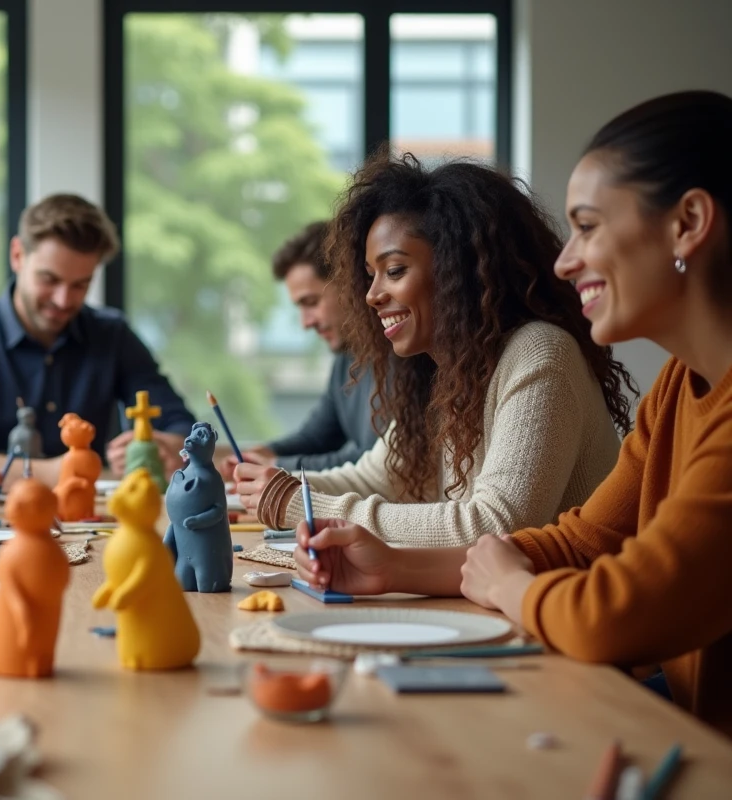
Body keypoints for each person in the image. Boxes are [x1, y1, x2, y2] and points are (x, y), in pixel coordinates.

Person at [294, 91, 732, 736]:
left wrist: (511, 589)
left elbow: (615, 610)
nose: (565, 259)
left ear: (688, 222)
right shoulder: (676, 388)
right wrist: (392, 563)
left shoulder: (547, 356)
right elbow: (582, 542)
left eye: (588, 226)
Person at [235, 153, 636, 546]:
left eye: (393, 271)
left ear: (455, 269)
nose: (372, 295)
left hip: (563, 608)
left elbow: (494, 525)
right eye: (370, 275)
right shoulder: (447, 373)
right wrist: (274, 487)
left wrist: (300, 504)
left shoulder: (541, 354)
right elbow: (372, 478)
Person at [0, 193, 196, 482]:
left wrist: (166, 447)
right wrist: (62, 470)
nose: (64, 300)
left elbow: (179, 423)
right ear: (17, 256)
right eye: (49, 280)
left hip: (93, 518)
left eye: (81, 284)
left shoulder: (112, 335)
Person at [217, 221, 379, 480]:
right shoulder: (346, 360)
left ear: (351, 285)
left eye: (311, 303)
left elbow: (374, 463)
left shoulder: (404, 358)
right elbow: (317, 437)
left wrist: (278, 463)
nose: (306, 322)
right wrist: (264, 453)